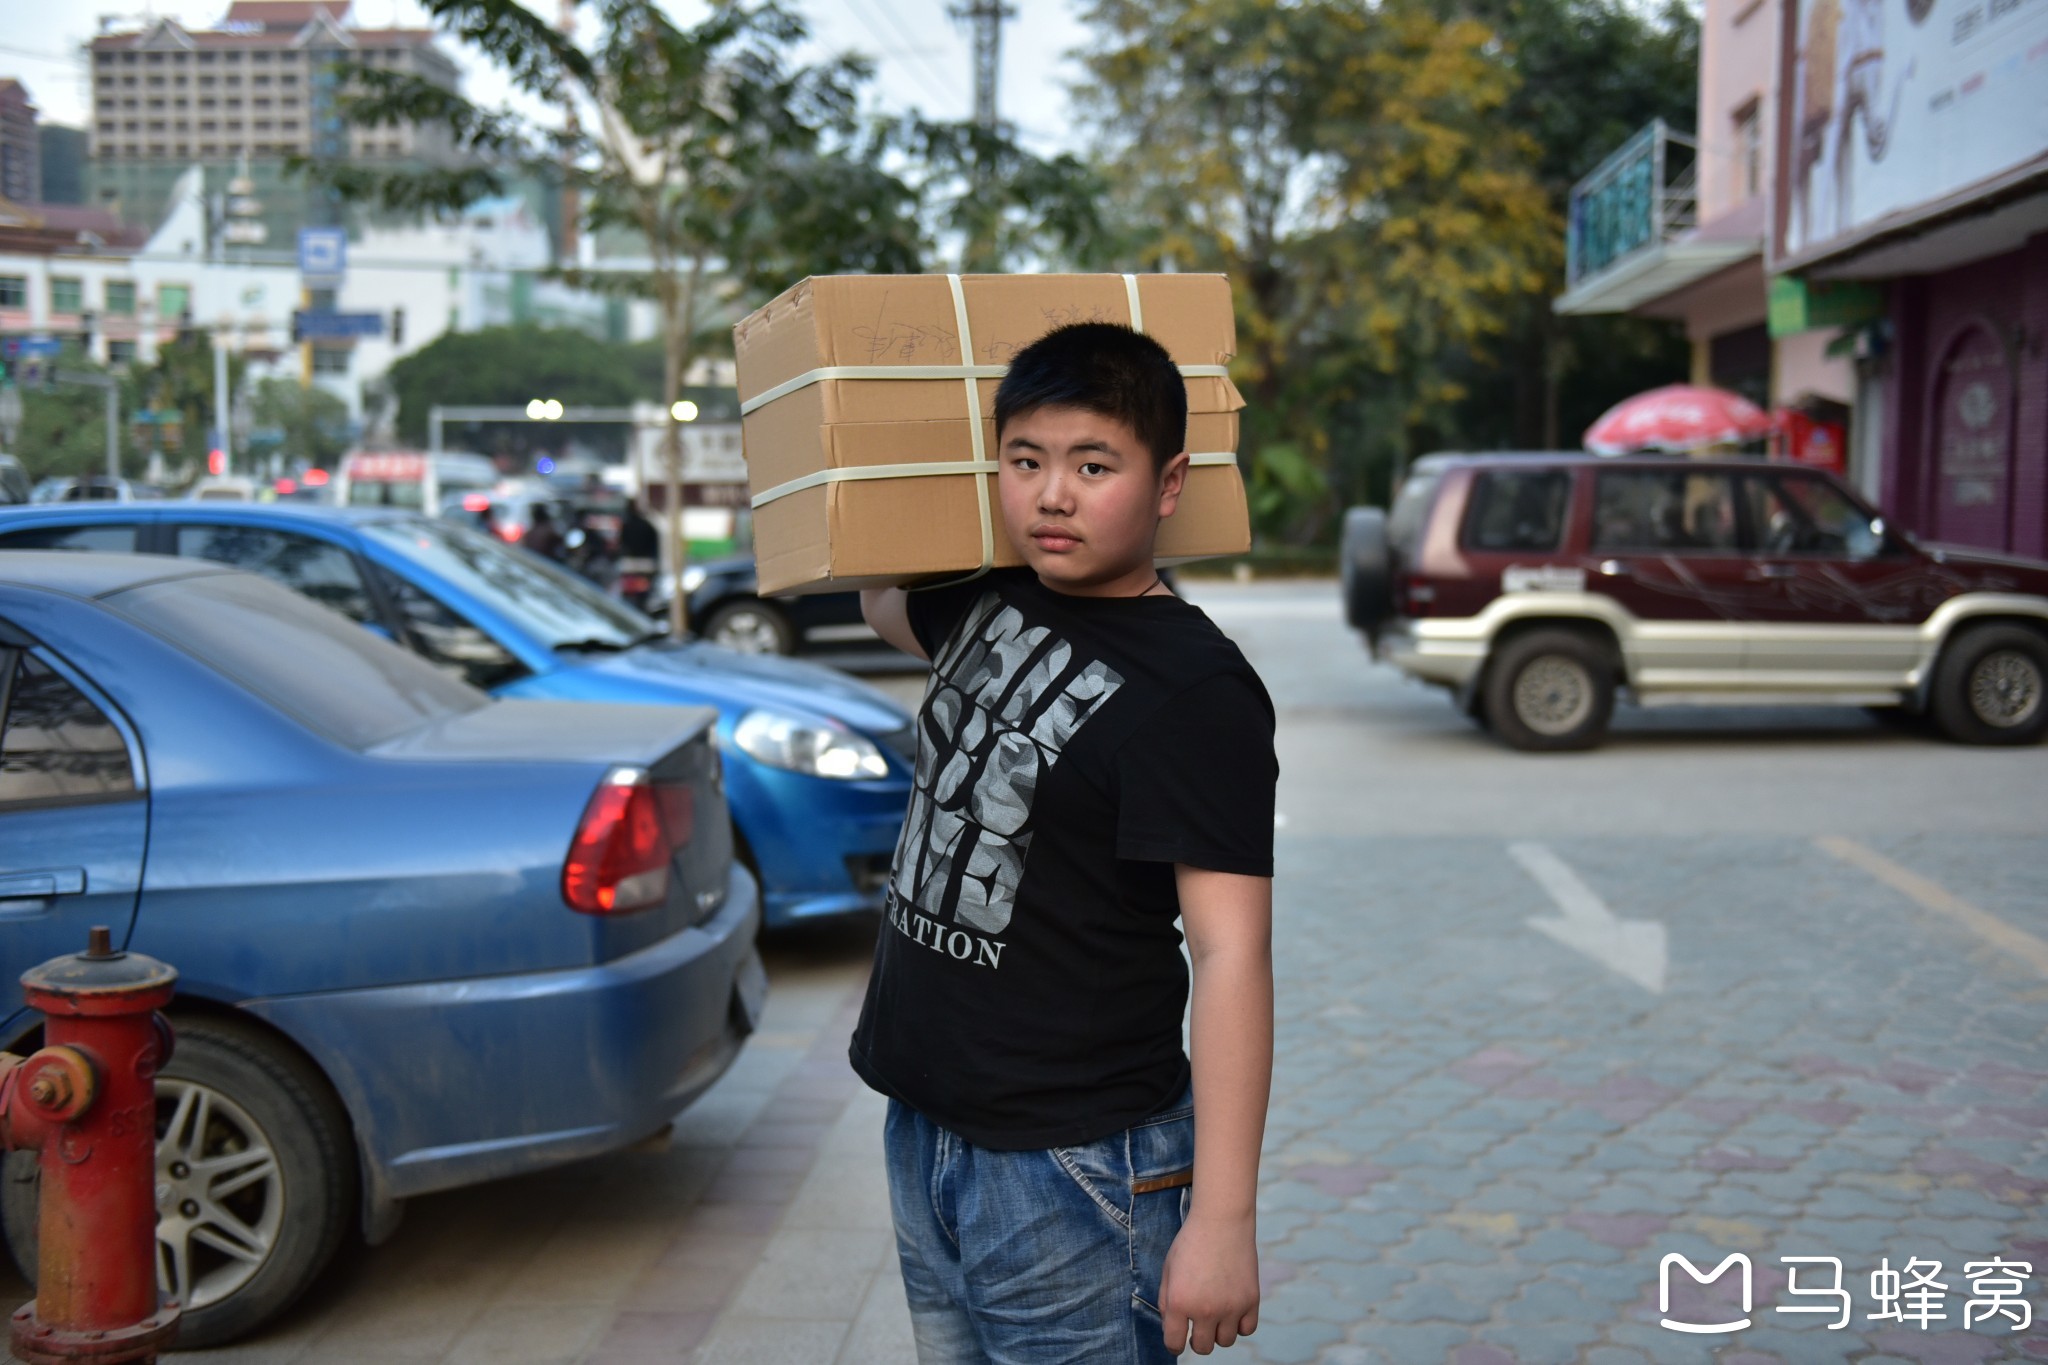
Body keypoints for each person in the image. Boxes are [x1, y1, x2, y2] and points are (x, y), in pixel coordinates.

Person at [855, 323, 1278, 1362]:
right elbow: (878, 600)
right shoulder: (990, 595)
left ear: (1167, 482)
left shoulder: (1195, 689)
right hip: (925, 1126)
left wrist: (1222, 1221)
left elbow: (1231, 953)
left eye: (1094, 466)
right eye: (1025, 462)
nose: (1052, 495)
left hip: (1073, 1163)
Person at [615, 497, 660, 613]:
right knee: (643, 594)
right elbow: (654, 546)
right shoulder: (648, 525)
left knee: (628, 594)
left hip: (629, 564)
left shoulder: (625, 525)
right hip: (646, 565)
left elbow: (621, 544)